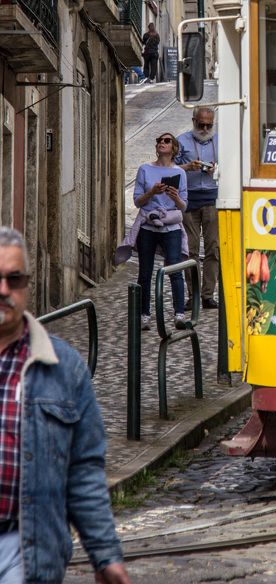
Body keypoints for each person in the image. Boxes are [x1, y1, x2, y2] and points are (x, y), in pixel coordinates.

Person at [0, 226, 130, 584]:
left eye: (14, 279)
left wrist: (105, 555)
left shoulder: (63, 368)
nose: (3, 290)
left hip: (24, 551)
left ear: (27, 286)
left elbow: (83, 470)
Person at [133, 133, 188, 331]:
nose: (161, 143)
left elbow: (183, 206)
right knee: (145, 272)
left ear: (174, 148)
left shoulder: (180, 173)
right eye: (159, 141)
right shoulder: (145, 169)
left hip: (170, 226)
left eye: (166, 141)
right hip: (148, 225)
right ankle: (144, 315)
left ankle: (179, 313)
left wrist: (175, 197)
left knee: (175, 269)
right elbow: (137, 201)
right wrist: (152, 193)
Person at [176, 106, 220, 310]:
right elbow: (169, 168)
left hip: (213, 199)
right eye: (201, 125)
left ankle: (208, 295)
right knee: (190, 250)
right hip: (189, 200)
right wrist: (188, 167)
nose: (204, 129)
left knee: (213, 248)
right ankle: (192, 295)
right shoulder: (182, 141)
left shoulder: (221, 141)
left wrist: (217, 168)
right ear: (194, 121)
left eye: (208, 125)